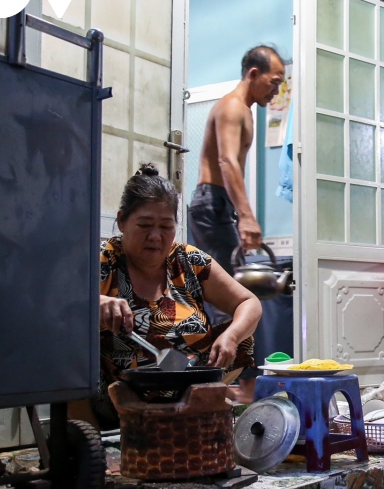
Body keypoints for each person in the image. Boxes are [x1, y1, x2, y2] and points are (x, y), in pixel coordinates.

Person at [94, 165, 262, 425]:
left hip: (188, 385)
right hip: (121, 395)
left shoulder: (187, 259)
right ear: (122, 221)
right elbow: (62, 307)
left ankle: (196, 411)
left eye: (165, 226)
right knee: (74, 347)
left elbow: (249, 302)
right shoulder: (105, 259)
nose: (155, 236)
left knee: (243, 338)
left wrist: (231, 336)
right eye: (145, 225)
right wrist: (97, 304)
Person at [189, 44, 286, 324]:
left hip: (219, 204)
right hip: (212, 203)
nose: (276, 91)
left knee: (232, 295)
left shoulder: (244, 109)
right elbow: (227, 162)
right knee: (229, 297)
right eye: (274, 83)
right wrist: (246, 217)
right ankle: (226, 366)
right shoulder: (232, 107)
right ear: (254, 73)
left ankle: (228, 364)